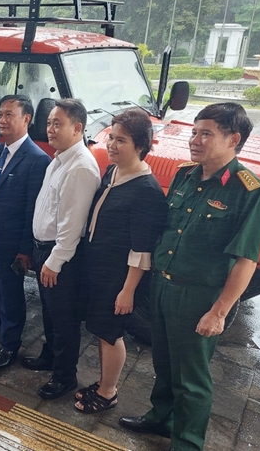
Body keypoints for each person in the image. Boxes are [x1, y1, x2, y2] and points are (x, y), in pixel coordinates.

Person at [119, 103, 260, 451]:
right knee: (163, 362)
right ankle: (161, 418)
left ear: (233, 139)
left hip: (198, 296)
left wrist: (219, 311)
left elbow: (246, 261)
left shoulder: (249, 191)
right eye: (194, 132)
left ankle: (187, 442)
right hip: (163, 285)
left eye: (206, 134)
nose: (195, 140)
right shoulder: (185, 175)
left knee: (191, 377)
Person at [73, 109, 167, 413]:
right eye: (111, 137)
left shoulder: (146, 190)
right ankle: (103, 383)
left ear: (140, 146)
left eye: (121, 140)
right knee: (101, 330)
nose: (112, 144)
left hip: (119, 276)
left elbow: (142, 250)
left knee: (111, 333)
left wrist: (128, 291)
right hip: (98, 268)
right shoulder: (113, 171)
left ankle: (108, 392)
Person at [29, 98, 100, 399]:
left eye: (58, 124)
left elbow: (73, 224)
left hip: (60, 255)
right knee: (49, 312)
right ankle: (50, 357)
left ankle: (64, 376)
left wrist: (55, 261)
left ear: (77, 128)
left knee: (64, 318)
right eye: (49, 123)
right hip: (44, 249)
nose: (50, 129)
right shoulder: (60, 159)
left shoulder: (80, 167)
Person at [0, 95, 51, 370]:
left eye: (9, 115)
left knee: (11, 295)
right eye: (0, 114)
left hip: (12, 242)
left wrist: (24, 249)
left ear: (26, 119)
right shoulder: (1, 151)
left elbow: (32, 209)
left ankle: (10, 344)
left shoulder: (36, 159)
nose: (2, 120)